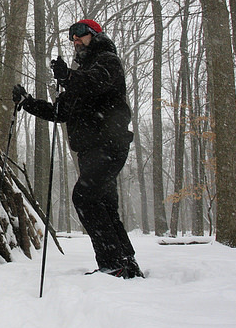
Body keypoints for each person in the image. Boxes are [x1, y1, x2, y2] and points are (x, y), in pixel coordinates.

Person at [12, 19, 144, 279]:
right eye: (73, 39)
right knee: (104, 204)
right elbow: (60, 111)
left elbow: (95, 83)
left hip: (108, 144)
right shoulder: (78, 74)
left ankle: (113, 264)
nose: (76, 42)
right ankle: (126, 263)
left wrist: (68, 76)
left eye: (81, 37)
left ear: (95, 35)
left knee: (85, 197)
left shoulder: (108, 61)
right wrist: (28, 103)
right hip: (89, 150)